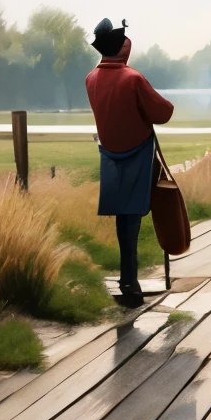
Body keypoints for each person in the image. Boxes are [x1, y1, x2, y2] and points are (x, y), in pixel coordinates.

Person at [85, 18, 174, 308]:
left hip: (110, 154)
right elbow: (162, 112)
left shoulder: (91, 79)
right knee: (134, 216)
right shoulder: (133, 78)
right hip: (137, 153)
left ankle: (127, 278)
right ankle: (129, 281)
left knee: (124, 217)